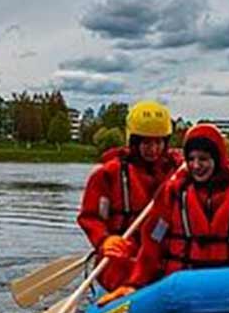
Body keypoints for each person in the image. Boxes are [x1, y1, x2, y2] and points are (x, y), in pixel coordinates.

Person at [97, 122, 229, 304]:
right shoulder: (172, 193)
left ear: (218, 159)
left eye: (203, 159)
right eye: (191, 159)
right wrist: (134, 283)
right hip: (182, 286)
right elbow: (153, 243)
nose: (196, 166)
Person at [77, 100, 182, 291]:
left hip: (163, 254)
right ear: (134, 142)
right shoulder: (108, 174)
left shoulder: (179, 171)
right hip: (124, 255)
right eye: (146, 143)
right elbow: (90, 217)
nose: (153, 149)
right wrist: (104, 240)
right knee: (117, 267)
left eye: (158, 142)